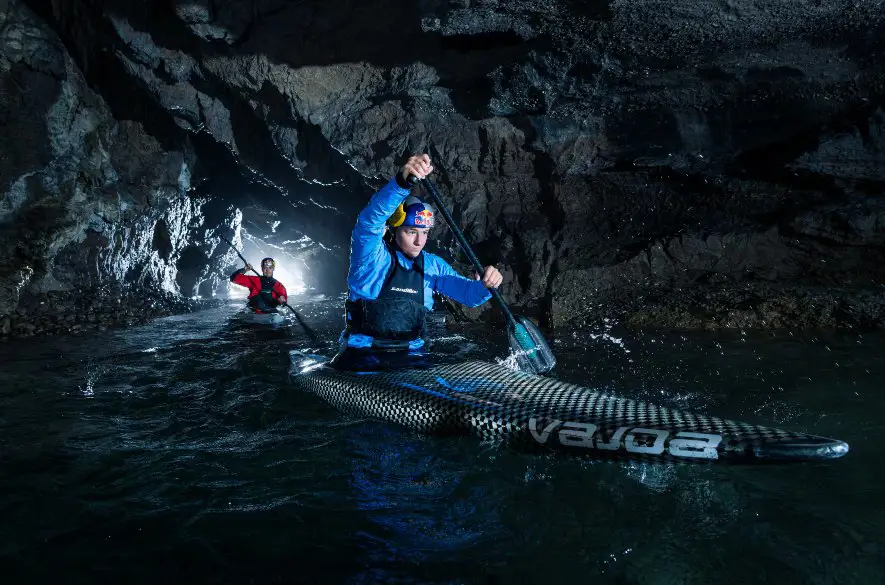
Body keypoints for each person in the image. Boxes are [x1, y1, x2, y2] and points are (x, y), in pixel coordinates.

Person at [331, 153, 503, 370]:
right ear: (395, 230)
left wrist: (487, 285)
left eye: (425, 232)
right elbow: (370, 220)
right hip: (363, 354)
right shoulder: (371, 256)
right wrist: (402, 183)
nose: (419, 241)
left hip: (413, 356)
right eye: (411, 231)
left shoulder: (433, 265)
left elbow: (469, 296)